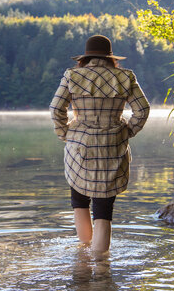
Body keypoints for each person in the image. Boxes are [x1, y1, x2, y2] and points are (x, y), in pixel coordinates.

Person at [49, 34, 150, 252]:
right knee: (104, 210)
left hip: (79, 145)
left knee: (79, 200)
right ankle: (102, 267)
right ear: (111, 57)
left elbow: (56, 109)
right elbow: (143, 110)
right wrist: (127, 131)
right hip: (113, 145)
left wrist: (64, 134)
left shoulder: (72, 75)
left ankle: (84, 257)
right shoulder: (125, 77)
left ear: (84, 58)